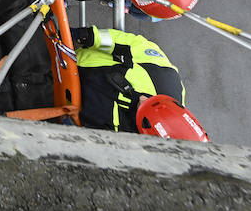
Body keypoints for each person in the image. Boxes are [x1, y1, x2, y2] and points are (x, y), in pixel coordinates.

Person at [72, 26, 207, 139]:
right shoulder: (165, 78)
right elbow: (135, 45)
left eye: (143, 111)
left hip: (60, 101)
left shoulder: (122, 142)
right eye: (150, 101)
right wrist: (89, 36)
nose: (143, 99)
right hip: (73, 59)